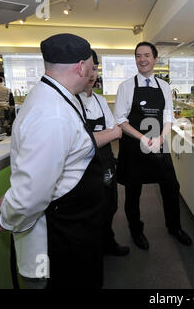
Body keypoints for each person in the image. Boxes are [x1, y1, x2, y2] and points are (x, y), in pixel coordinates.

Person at [0, 33, 105, 289]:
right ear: (80, 67)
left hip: (76, 227)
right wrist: (8, 216)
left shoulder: (60, 96)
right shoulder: (52, 114)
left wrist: (12, 197)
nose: (92, 73)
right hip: (59, 236)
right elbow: (31, 196)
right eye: (90, 67)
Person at [114, 41, 192, 250]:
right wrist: (142, 138)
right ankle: (136, 230)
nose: (142, 59)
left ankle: (174, 227)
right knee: (133, 191)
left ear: (155, 59)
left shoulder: (164, 86)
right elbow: (120, 120)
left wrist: (160, 138)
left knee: (171, 187)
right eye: (138, 55)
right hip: (133, 146)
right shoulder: (126, 87)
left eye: (147, 55)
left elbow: (168, 117)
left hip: (158, 143)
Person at [76, 50, 128, 257]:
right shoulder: (71, 102)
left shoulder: (100, 101)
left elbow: (116, 132)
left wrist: (101, 135)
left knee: (110, 204)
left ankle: (108, 241)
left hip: (105, 162)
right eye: (88, 69)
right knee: (89, 209)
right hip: (83, 166)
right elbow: (78, 142)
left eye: (95, 69)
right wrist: (108, 133)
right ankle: (91, 249)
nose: (92, 74)